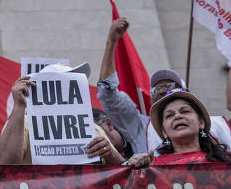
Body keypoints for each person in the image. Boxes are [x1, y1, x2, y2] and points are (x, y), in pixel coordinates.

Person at [98, 17, 231, 154]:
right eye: (156, 89)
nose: (162, 91)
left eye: (169, 86)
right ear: (162, 131)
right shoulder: (140, 127)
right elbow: (107, 95)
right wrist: (111, 42)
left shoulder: (218, 126)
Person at [0, 63, 123, 165]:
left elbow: (124, 169)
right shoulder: (23, 123)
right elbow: (6, 164)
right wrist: (19, 107)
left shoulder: (92, 128)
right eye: (67, 81)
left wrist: (110, 153)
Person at [128, 89, 231, 166]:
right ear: (164, 132)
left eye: (185, 111)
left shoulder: (227, 159)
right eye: (169, 115)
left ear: (201, 123)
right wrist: (133, 169)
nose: (177, 116)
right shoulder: (153, 166)